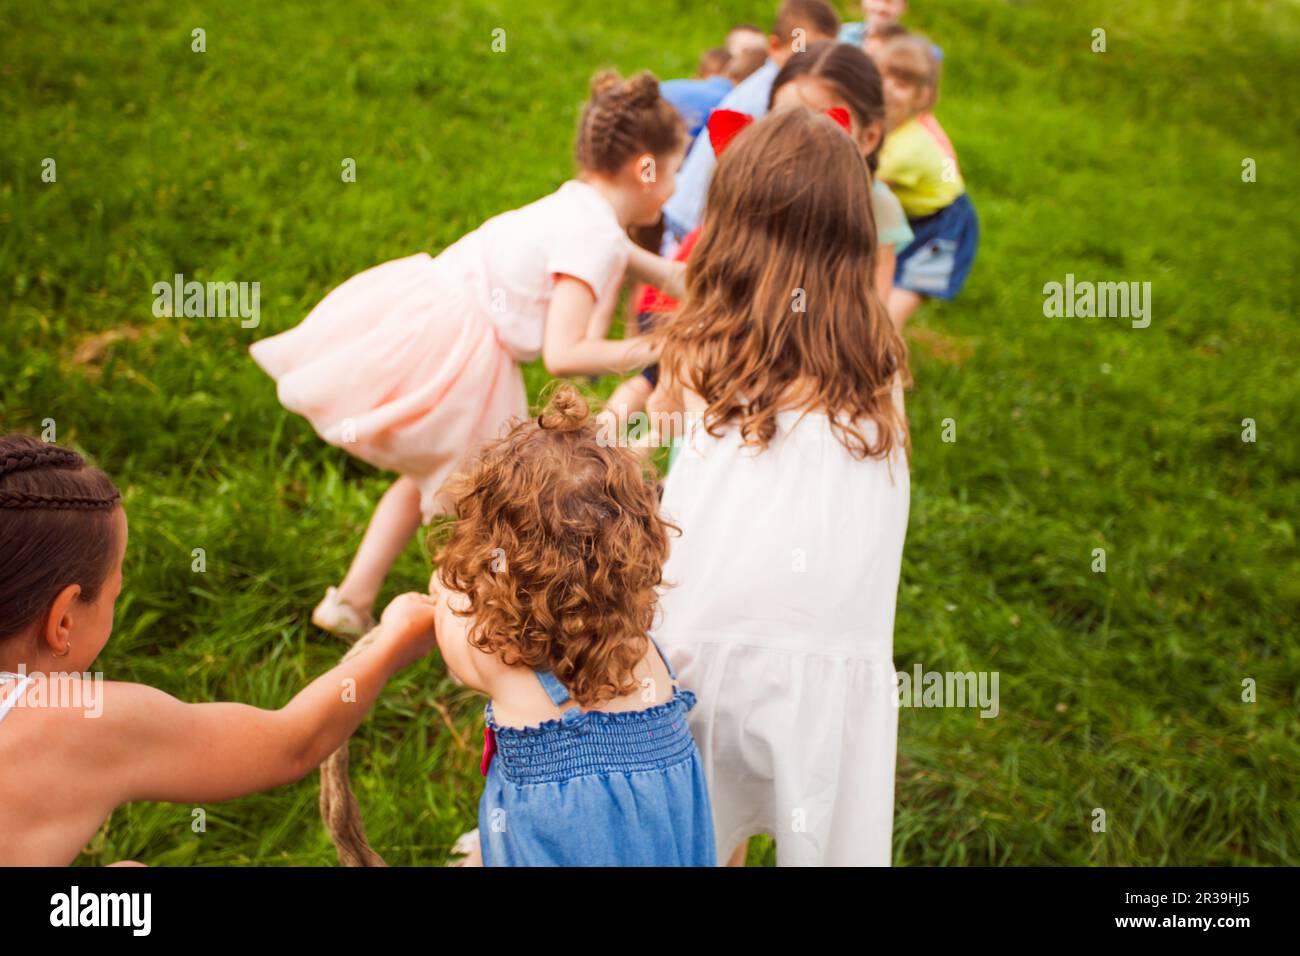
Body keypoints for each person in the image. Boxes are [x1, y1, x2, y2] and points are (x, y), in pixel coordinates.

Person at [250, 71, 685, 637]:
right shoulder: (595, 237)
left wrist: (677, 280)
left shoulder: (580, 206)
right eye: (675, 171)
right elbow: (563, 353)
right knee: (482, 510)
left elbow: (631, 258)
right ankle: (480, 637)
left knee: (428, 476)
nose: (676, 189)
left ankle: (351, 601)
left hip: (435, 316)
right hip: (465, 355)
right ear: (643, 168)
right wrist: (663, 343)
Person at [645, 108, 912, 866]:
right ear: (855, 236)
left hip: (697, 649)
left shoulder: (698, 346)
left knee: (697, 837)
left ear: (729, 225)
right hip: (833, 672)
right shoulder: (883, 370)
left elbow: (666, 457)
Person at [0, 436, 438, 866]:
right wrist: (391, 643)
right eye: (116, 592)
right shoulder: (86, 722)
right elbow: (291, 744)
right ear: (64, 621)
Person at [429, 386, 715, 866]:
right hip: (658, 821)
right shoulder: (640, 644)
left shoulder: (491, 655)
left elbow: (448, 610)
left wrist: (446, 581)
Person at [659, 0, 841, 243]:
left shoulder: (775, 86)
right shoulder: (766, 97)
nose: (814, 65)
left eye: (823, 55)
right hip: (696, 219)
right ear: (775, 47)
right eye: (805, 52)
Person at [877, 33, 978, 327]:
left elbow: (860, 188)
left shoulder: (909, 147)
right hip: (913, 220)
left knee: (885, 321)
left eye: (902, 84)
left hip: (943, 230)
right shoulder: (891, 122)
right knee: (876, 310)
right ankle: (890, 370)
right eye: (884, 77)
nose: (888, 89)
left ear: (922, 96)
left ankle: (887, 368)